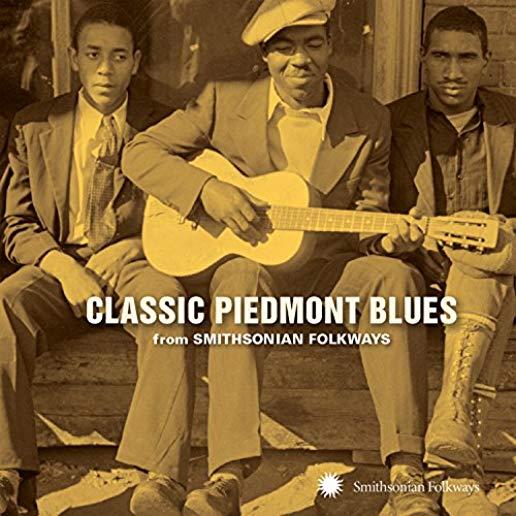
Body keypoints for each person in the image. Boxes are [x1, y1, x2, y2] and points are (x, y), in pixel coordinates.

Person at [121, 1, 441, 515]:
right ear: (265, 57)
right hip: (252, 268)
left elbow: (369, 216)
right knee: (239, 278)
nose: (300, 60)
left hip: (328, 270)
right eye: (285, 48)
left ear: (331, 47)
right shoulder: (223, 99)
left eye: (313, 44)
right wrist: (207, 192)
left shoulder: (368, 118)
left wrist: (388, 241)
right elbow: (139, 153)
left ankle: (406, 469)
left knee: (395, 278)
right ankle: (226, 478)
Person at [0, 4, 177, 515]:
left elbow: (187, 213)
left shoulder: (167, 124)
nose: (105, 69)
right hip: (61, 264)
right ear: (73, 57)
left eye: (119, 56)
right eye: (94, 54)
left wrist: (136, 246)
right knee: (5, 302)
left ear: (136, 62)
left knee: (169, 305)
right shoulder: (35, 125)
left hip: (137, 263)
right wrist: (63, 267)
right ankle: (9, 478)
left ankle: (159, 477)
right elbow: (16, 225)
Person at [388, 6, 516, 515]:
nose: (453, 71)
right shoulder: (390, 121)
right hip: (418, 273)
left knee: (485, 260)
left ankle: (452, 438)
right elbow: (366, 208)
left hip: (490, 272)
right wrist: (393, 237)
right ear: (422, 58)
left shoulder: (512, 121)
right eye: (441, 56)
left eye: (466, 58)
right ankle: (459, 474)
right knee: (487, 273)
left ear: (486, 60)